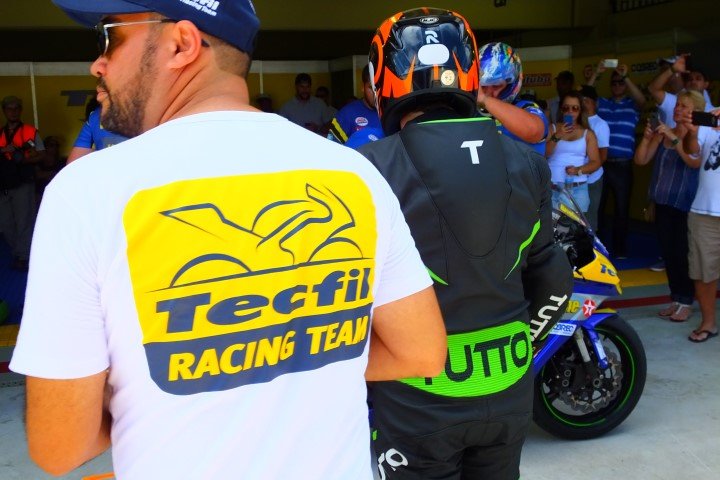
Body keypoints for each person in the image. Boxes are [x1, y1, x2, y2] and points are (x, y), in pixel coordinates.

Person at [10, 2, 448, 479]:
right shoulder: (354, 174)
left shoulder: (88, 191)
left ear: (181, 44)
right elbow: (419, 351)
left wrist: (166, 390)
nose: (97, 63)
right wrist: (293, 363)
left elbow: (59, 444)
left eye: (109, 38)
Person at [358, 8, 573, 479]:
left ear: (383, 78)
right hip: (509, 388)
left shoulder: (366, 167)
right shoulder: (527, 162)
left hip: (417, 398)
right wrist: (515, 349)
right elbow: (555, 280)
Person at [634, 91, 705, 323]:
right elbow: (641, 160)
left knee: (682, 254)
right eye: (677, 105)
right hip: (663, 203)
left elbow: (693, 162)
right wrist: (647, 138)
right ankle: (676, 298)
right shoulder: (663, 132)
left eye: (684, 106)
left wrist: (675, 140)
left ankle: (686, 301)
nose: (678, 109)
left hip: (685, 205)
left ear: (695, 111)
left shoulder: (697, 136)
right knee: (668, 253)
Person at [587, 60, 645, 257]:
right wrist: (597, 73)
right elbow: (584, 96)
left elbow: (642, 100)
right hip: (601, 164)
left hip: (622, 165)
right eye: (615, 82)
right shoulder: (602, 103)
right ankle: (599, 249)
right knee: (598, 208)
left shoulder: (632, 105)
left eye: (621, 82)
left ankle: (620, 249)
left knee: (621, 209)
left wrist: (626, 76)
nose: (618, 85)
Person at [682, 107, 720, 342]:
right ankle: (708, 322)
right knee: (703, 271)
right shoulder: (711, 118)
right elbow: (691, 150)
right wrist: (692, 132)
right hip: (704, 210)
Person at [477, 42, 548, 155]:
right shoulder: (470, 110)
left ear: (511, 84)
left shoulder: (526, 107)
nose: (489, 92)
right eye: (483, 87)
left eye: (496, 86)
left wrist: (484, 99)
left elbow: (534, 131)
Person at [0, 95, 45, 272]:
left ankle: (24, 257)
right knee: (5, 223)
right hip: (3, 183)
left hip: (23, 181)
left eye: (16, 108)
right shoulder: (0, 133)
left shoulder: (29, 131)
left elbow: (42, 154)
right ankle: (20, 252)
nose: (13, 112)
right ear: (4, 111)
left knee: (24, 221)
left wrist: (22, 158)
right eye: (9, 108)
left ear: (20, 110)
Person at [545, 91, 602, 213]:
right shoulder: (552, 128)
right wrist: (558, 135)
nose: (570, 111)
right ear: (561, 109)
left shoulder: (588, 133)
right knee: (550, 225)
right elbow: (544, 153)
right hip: (552, 187)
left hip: (577, 189)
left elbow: (596, 162)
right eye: (566, 108)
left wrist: (578, 170)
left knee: (574, 226)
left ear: (580, 110)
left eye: (575, 108)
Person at [648, 54, 714, 128]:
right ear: (685, 84)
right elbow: (652, 89)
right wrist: (671, 70)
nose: (693, 82)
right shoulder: (674, 100)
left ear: (706, 84)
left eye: (698, 79)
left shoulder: (711, 110)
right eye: (690, 79)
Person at [579, 85, 610, 231]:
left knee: (589, 220)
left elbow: (602, 156)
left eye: (586, 100)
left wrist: (584, 171)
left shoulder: (601, 124)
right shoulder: (575, 122)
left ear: (594, 102)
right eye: (581, 100)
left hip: (592, 179)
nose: (583, 103)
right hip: (575, 179)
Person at [327, 65, 382, 146]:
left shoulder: (392, 113)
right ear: (363, 87)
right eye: (371, 88)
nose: (376, 93)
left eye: (380, 87)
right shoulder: (346, 114)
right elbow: (331, 148)